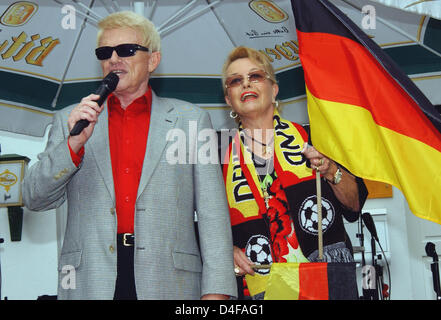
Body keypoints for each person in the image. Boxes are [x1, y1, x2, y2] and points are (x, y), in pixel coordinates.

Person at [22, 11, 237, 300]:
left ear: (153, 61)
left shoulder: (192, 120)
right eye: (104, 52)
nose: (113, 59)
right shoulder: (71, 121)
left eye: (125, 50)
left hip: (170, 282)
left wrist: (218, 292)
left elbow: (213, 216)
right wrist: (72, 146)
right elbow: (34, 197)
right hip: (91, 282)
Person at [220, 46, 368, 299]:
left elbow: (354, 204)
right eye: (236, 81)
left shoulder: (315, 137)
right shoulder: (216, 156)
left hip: (325, 278)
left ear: (274, 89)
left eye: (255, 76)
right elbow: (203, 224)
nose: (246, 84)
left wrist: (331, 170)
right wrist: (226, 249)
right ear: (228, 99)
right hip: (260, 284)